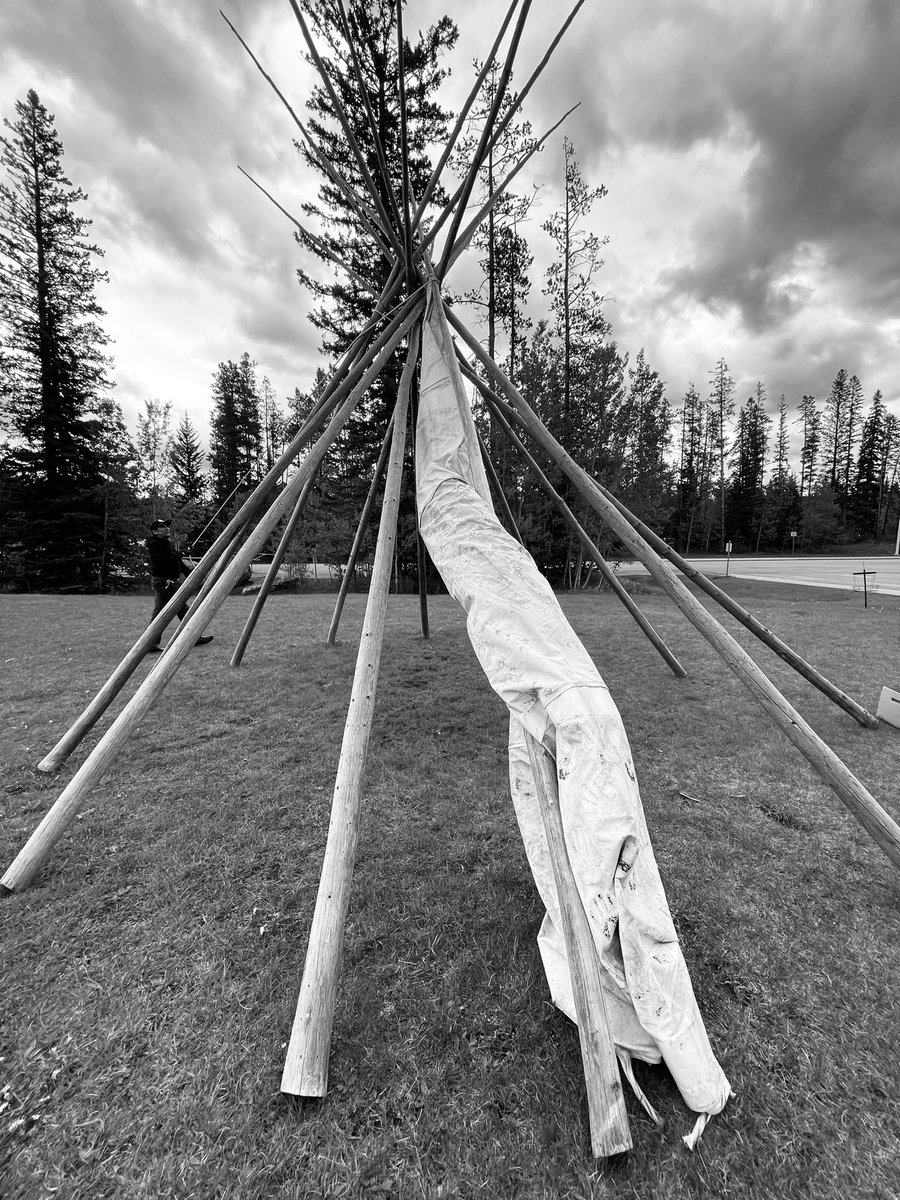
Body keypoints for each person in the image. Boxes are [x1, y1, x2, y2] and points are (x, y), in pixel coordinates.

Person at [145, 518, 213, 652]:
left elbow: (175, 562)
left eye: (167, 526)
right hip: (165, 582)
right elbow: (162, 561)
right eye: (162, 527)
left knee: (160, 613)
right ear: (154, 531)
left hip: (165, 581)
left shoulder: (166, 543)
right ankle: (194, 636)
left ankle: (150, 643)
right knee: (182, 608)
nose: (167, 528)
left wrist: (189, 572)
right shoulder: (155, 544)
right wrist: (181, 553)